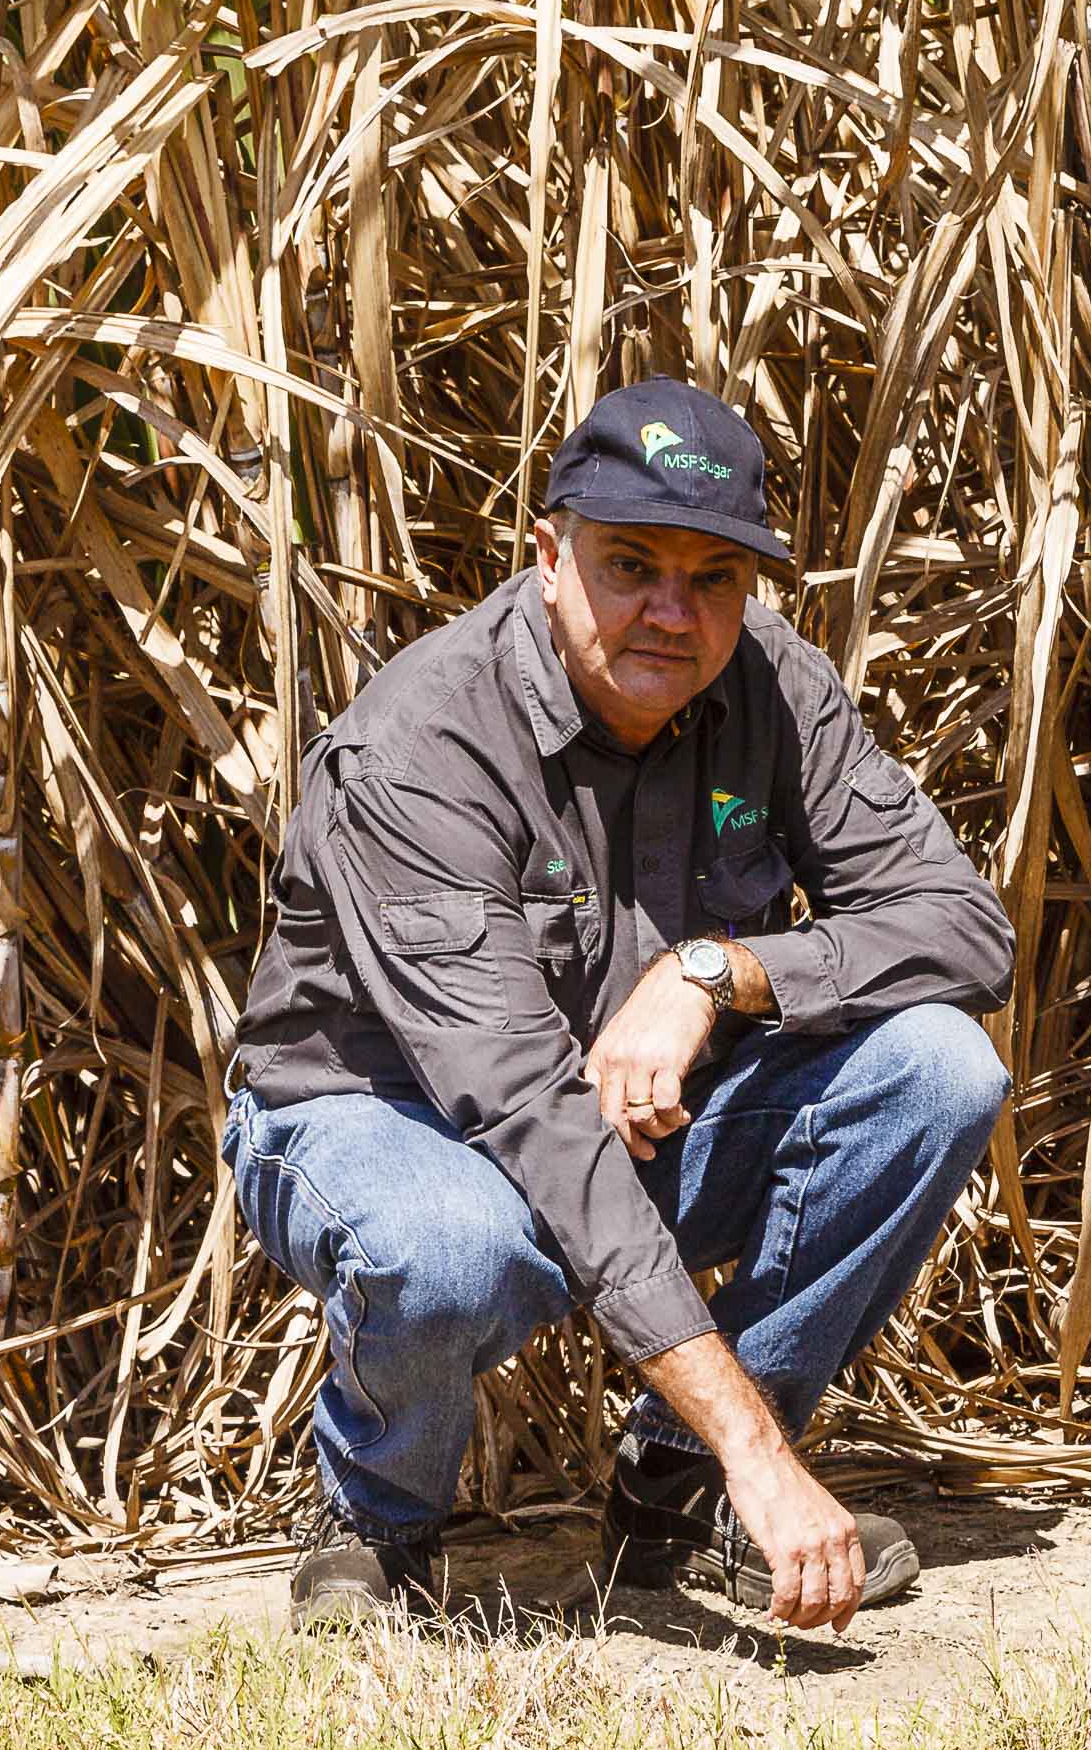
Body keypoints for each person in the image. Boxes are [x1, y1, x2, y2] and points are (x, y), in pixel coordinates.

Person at [229, 379, 1015, 1633]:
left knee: (939, 1068)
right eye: (632, 563)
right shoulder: (424, 743)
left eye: (713, 576)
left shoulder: (772, 683)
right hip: (391, 1119)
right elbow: (532, 1113)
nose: (672, 610)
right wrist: (764, 1440)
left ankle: (676, 1502)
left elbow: (966, 930)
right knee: (446, 1247)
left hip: (644, 1110)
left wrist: (716, 971)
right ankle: (379, 1524)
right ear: (549, 555)